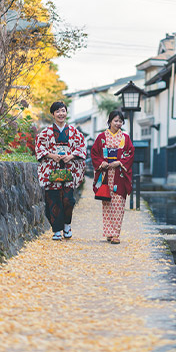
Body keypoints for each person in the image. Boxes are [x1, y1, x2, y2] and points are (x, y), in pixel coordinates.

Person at [35, 101, 86, 240]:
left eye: (63, 111)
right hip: (52, 170)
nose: (61, 114)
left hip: (69, 170)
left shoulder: (75, 133)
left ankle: (67, 225)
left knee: (68, 200)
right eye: (57, 111)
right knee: (53, 199)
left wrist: (71, 156)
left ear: (66, 113)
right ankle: (57, 230)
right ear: (53, 114)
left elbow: (81, 148)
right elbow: (39, 148)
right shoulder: (45, 133)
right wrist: (52, 156)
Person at [90, 110, 135, 244]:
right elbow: (94, 153)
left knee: (119, 204)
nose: (118, 123)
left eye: (120, 121)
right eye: (115, 120)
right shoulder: (102, 137)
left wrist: (120, 162)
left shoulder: (125, 138)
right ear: (109, 121)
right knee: (107, 203)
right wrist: (101, 163)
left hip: (119, 174)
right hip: (105, 174)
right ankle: (109, 232)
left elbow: (130, 153)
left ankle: (116, 234)